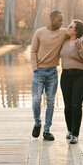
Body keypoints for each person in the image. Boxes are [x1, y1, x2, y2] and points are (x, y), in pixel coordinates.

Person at [30, 11, 67, 141]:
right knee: (36, 100)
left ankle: (47, 131)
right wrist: (35, 68)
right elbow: (33, 51)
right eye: (59, 20)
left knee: (51, 102)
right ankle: (37, 123)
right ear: (51, 19)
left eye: (62, 20)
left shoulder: (63, 32)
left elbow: (77, 32)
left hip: (53, 72)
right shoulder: (39, 32)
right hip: (39, 71)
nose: (61, 23)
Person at [60, 20, 83, 144]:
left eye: (71, 27)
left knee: (76, 104)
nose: (68, 28)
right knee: (67, 105)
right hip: (66, 76)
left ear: (77, 31)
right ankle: (69, 129)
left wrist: (80, 49)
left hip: (81, 76)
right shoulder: (63, 42)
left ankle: (75, 134)